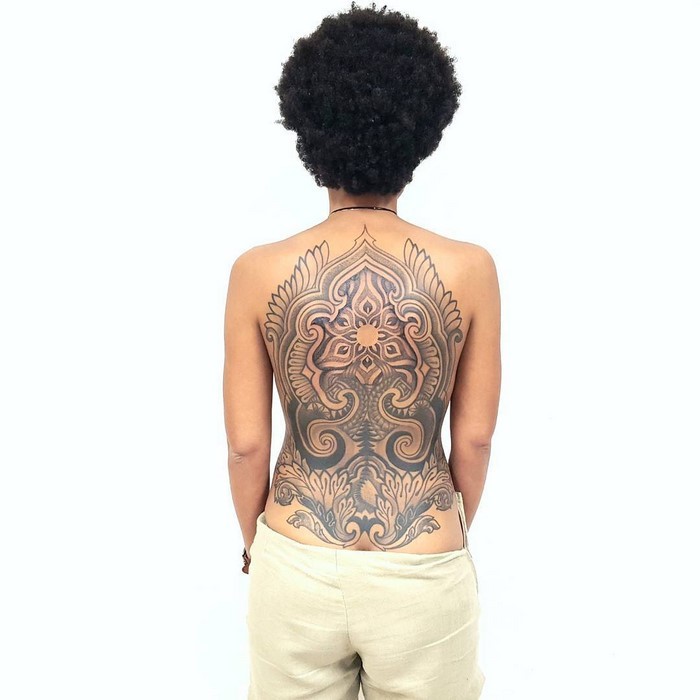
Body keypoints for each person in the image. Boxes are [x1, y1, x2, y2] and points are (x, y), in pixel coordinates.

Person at [223, 3, 501, 698]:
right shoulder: (469, 269)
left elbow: (247, 446)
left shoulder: (258, 272)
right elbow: (474, 438)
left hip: (298, 551)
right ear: (422, 132)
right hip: (423, 553)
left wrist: (259, 548)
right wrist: (445, 536)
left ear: (308, 127)